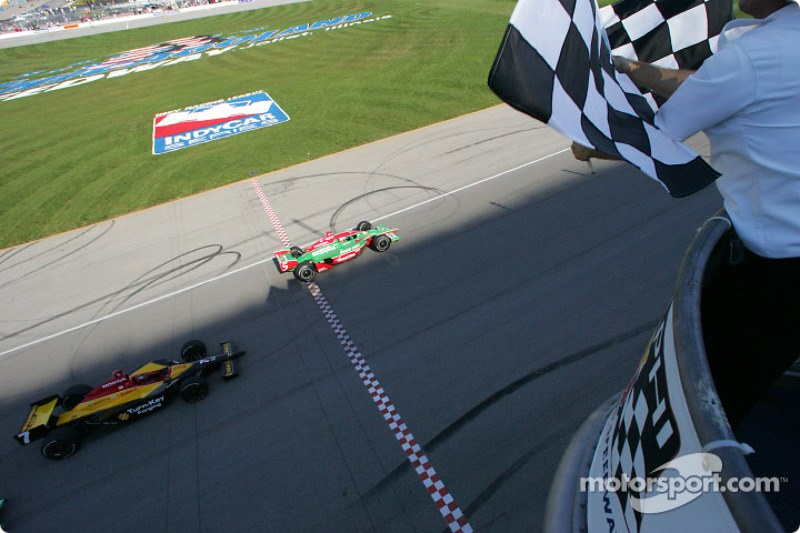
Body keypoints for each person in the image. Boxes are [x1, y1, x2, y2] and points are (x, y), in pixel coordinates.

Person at [584, 0, 800, 427]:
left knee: (710, 406)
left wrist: (585, 137)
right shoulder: (779, 42)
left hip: (774, 275)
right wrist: (631, 69)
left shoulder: (748, 57)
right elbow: (708, 85)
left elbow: (655, 140)